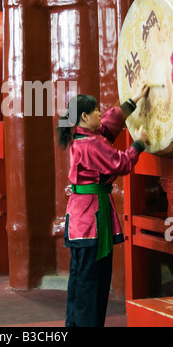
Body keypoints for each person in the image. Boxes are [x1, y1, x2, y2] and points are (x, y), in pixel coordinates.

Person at [56, 83, 149, 327]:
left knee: (80, 280)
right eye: (96, 110)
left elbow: (109, 124)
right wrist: (138, 144)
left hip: (81, 219)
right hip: (90, 221)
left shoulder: (85, 136)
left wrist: (133, 100)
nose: (100, 113)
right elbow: (120, 164)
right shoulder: (91, 144)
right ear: (85, 116)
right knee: (92, 283)